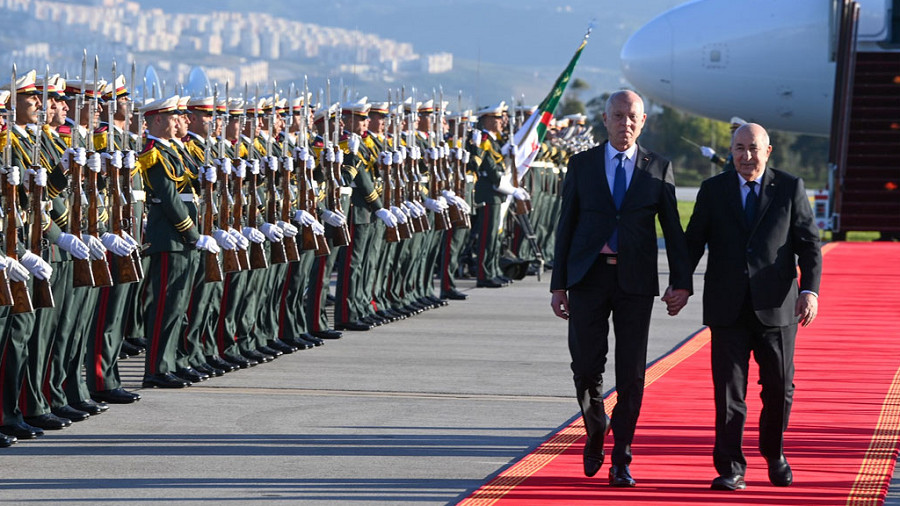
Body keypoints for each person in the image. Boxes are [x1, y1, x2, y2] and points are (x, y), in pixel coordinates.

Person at [549, 90, 692, 487]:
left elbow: (673, 232)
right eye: (617, 116)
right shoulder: (582, 164)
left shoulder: (657, 168)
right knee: (585, 366)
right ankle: (597, 426)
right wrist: (558, 284)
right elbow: (566, 227)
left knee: (631, 373)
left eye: (632, 117)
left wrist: (681, 282)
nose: (624, 123)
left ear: (642, 121)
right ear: (605, 119)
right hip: (587, 278)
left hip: (634, 282)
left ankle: (622, 457)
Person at [683, 123, 821, 491]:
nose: (745, 156)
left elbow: (809, 244)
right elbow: (693, 241)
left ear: (768, 150)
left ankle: (773, 452)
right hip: (727, 307)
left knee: (780, 387)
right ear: (731, 150)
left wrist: (810, 290)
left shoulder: (790, 188)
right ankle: (731, 467)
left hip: (777, 306)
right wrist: (680, 285)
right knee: (729, 391)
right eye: (739, 148)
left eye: (753, 148)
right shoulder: (713, 190)